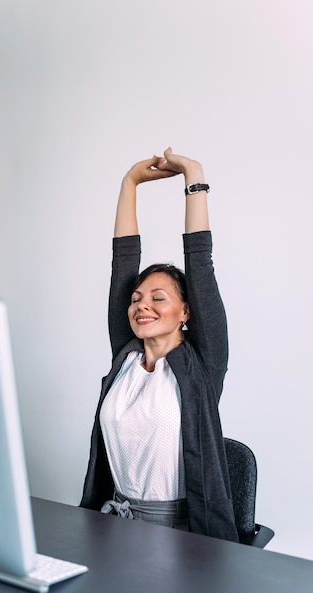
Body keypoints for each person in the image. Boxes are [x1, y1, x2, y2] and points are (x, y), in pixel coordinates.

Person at [80, 148, 239, 542]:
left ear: (186, 311)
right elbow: (123, 263)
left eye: (158, 298)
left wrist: (194, 176)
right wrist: (129, 184)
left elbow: (200, 262)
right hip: (113, 525)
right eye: (136, 299)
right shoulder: (126, 357)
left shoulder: (200, 366)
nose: (141, 305)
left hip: (183, 536)